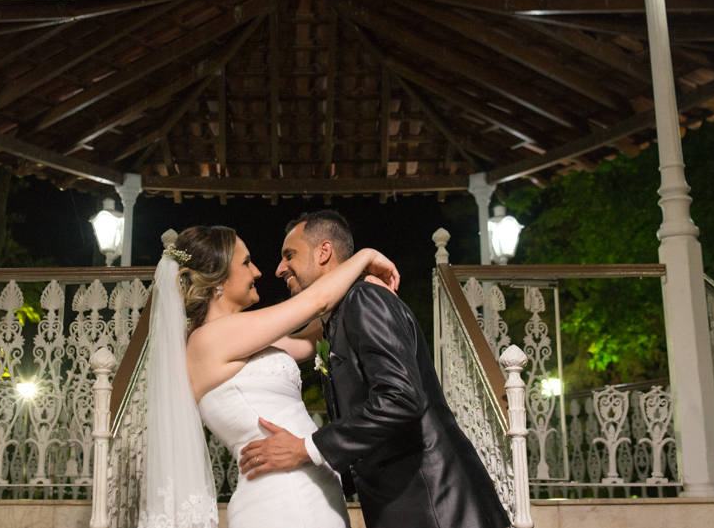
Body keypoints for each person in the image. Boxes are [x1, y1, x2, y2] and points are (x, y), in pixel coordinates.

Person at [238, 211, 511, 528]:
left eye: (289, 255)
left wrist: (306, 448)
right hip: (402, 502)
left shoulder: (365, 299)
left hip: (437, 504)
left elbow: (400, 399)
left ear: (324, 251)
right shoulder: (334, 321)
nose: (279, 268)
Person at [138, 224, 400, 528]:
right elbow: (315, 303)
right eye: (247, 262)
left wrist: (363, 288)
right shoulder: (207, 340)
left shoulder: (238, 338)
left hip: (313, 492)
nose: (258, 272)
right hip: (282, 502)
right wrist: (365, 257)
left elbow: (309, 339)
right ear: (218, 278)